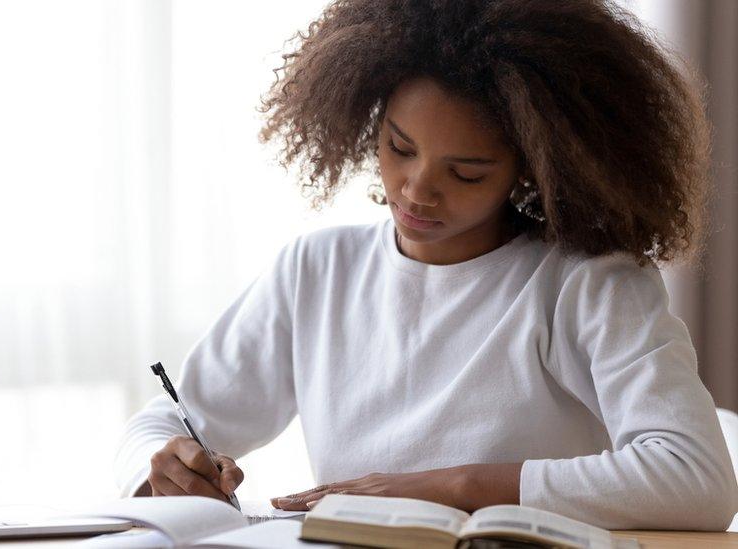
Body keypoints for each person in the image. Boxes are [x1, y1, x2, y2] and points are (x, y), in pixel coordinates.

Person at [113, 0, 738, 531]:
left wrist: (454, 487)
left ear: (534, 163)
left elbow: (696, 476)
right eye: (398, 147)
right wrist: (165, 464)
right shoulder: (317, 271)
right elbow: (165, 420)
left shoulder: (586, 281)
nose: (416, 191)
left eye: (467, 172)